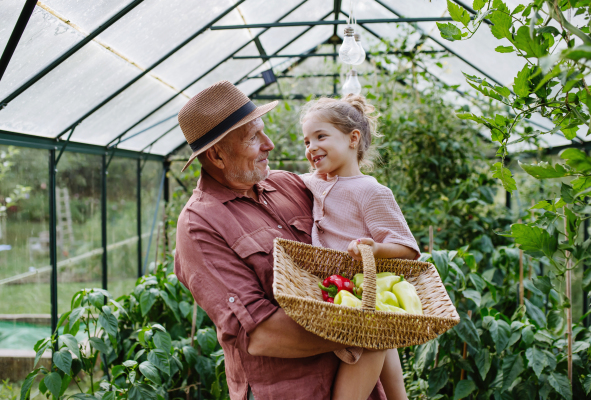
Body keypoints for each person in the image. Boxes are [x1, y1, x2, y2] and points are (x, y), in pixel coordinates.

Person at [174, 80, 387, 400]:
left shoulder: (288, 185)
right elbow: (261, 335)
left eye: (263, 130)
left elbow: (350, 213)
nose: (269, 144)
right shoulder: (200, 225)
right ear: (217, 155)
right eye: (252, 138)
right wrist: (368, 329)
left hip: (359, 383)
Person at [299, 94, 421, 400]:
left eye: (320, 136)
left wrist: (375, 250)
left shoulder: (371, 191)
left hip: (362, 289)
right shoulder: (312, 182)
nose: (311, 147)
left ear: (353, 139)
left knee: (375, 339)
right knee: (382, 343)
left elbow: (407, 248)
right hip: (337, 287)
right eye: (306, 141)